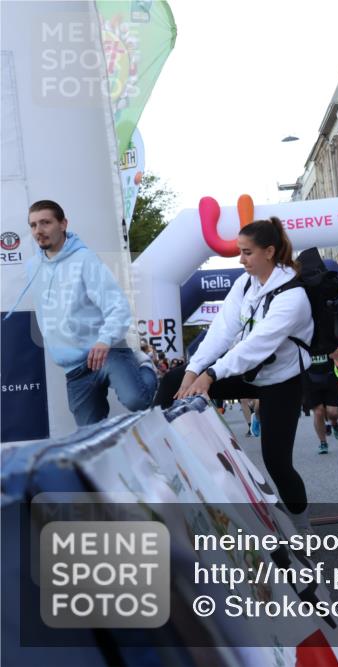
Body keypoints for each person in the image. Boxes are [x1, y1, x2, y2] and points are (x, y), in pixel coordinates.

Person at [154, 217, 315, 530]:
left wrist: (211, 374)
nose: (240, 260)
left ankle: (302, 526)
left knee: (277, 463)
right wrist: (193, 369)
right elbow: (221, 332)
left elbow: (254, 347)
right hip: (250, 373)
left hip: (282, 380)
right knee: (174, 380)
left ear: (269, 252)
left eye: (247, 253)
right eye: (239, 252)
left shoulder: (293, 296)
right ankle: (161, 460)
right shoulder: (245, 283)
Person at [5, 200, 158, 426]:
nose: (38, 231)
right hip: (74, 367)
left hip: (105, 352)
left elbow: (118, 305)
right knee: (89, 436)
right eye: (33, 225)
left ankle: (145, 363)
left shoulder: (85, 260)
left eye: (45, 223)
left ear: (63, 224)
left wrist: (105, 340)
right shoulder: (32, 266)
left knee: (137, 400)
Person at [303, 348, 338, 454]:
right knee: (319, 412)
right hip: (310, 380)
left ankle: (334, 423)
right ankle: (323, 442)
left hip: (329, 378)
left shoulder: (326, 336)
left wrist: (335, 353)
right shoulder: (304, 336)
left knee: (333, 413)